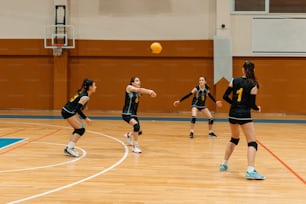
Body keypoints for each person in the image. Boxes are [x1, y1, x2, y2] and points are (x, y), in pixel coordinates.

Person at [219, 61, 266, 180]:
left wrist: (234, 104)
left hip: (232, 114)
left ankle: (224, 164)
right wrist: (258, 108)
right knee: (252, 142)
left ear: (243, 70)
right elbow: (252, 105)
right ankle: (250, 170)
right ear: (253, 70)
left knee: (234, 138)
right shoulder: (253, 85)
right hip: (244, 116)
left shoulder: (234, 80)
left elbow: (225, 97)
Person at [61, 78, 97, 157]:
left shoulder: (84, 94)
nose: (95, 87)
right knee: (80, 130)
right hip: (68, 111)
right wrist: (86, 118)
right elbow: (77, 109)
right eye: (94, 85)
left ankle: (70, 147)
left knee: (79, 129)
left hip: (68, 110)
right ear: (90, 87)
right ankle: (69, 149)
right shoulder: (85, 97)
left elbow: (77, 105)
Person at [122, 76, 157, 153]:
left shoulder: (137, 93)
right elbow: (140, 89)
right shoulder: (129, 88)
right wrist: (150, 91)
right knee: (136, 126)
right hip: (126, 113)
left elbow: (141, 91)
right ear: (132, 83)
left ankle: (128, 135)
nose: (139, 82)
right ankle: (135, 147)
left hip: (134, 114)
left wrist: (149, 94)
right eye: (137, 81)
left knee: (139, 131)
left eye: (139, 80)